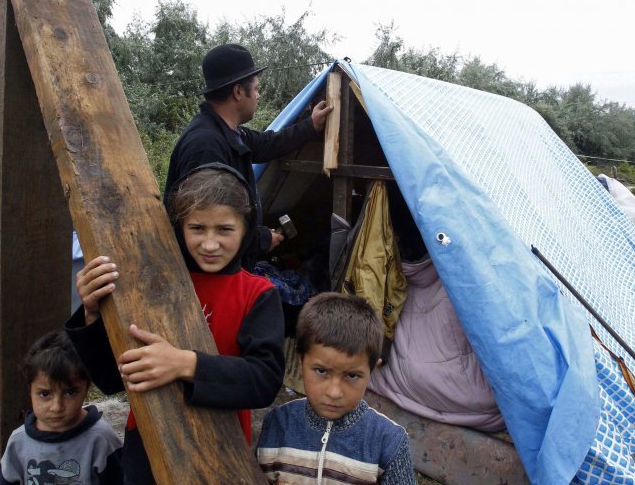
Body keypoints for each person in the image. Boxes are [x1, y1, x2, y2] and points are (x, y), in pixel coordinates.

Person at [66, 164, 284, 484]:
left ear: (246, 228)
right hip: (147, 442)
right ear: (179, 227)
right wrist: (92, 313)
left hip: (221, 448)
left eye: (224, 229)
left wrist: (185, 364)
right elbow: (111, 379)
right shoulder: (150, 283)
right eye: (197, 228)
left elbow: (264, 380)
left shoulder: (258, 295)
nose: (210, 244)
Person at [163, 44, 332, 270]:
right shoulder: (206, 146)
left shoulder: (229, 131)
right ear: (238, 92)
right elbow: (209, 225)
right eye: (257, 88)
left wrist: (310, 125)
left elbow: (268, 144)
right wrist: (261, 239)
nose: (259, 95)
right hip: (211, 277)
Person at [256, 292, 416, 484]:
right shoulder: (278, 424)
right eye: (321, 371)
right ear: (301, 362)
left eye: (352, 376)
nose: (334, 392)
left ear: (372, 370)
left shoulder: (388, 442)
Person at [0, 331, 123, 485]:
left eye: (70, 392)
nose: (57, 407)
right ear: (30, 390)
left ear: (87, 388)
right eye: (45, 394)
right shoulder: (18, 442)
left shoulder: (101, 439)